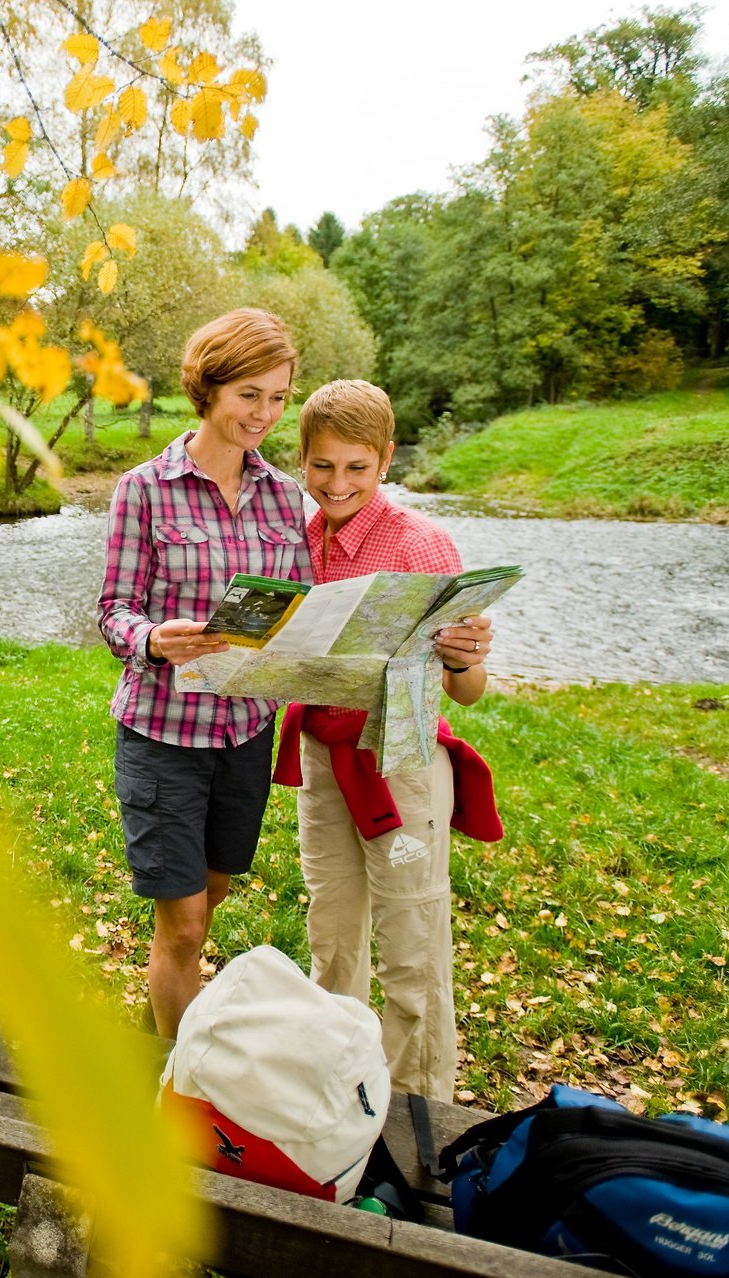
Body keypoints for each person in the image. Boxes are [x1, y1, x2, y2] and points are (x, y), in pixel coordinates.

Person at [273, 378, 501, 1101]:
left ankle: (418, 1106)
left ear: (386, 459)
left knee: (411, 932)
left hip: (400, 760)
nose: (337, 483)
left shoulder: (422, 544)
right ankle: (338, 1086)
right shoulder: (295, 542)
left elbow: (467, 689)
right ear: (301, 459)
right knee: (333, 929)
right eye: (322, 466)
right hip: (321, 754)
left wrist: (464, 655)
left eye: (356, 467)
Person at [98, 308, 311, 1038]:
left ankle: (159, 1018)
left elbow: (301, 608)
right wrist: (154, 638)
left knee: (208, 899)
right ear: (209, 386)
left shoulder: (286, 496)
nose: (266, 413)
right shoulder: (144, 489)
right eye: (250, 393)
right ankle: (176, 1092)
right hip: (163, 735)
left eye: (279, 396)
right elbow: (113, 612)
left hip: (245, 733)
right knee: (185, 926)